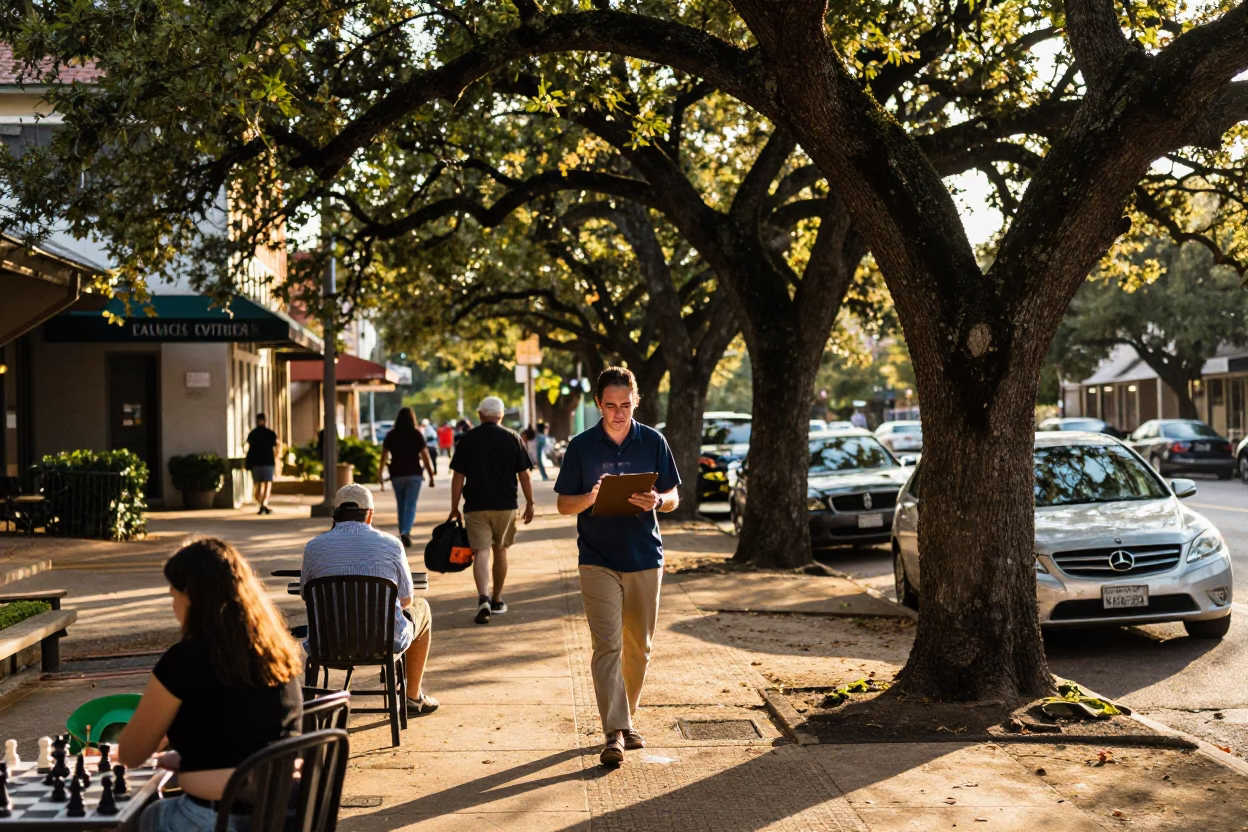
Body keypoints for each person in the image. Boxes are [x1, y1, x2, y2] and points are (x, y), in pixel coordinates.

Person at [121, 538, 304, 832]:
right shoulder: (278, 652)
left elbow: (132, 754)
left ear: (192, 597)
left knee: (134, 817)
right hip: (288, 816)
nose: (173, 608)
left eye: (174, 596)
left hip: (216, 820)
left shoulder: (185, 659)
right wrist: (183, 756)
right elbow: (244, 735)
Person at [554, 366, 681, 767]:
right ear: (598, 404)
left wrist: (658, 502)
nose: (618, 413)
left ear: (636, 402)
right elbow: (562, 504)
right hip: (597, 558)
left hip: (645, 556)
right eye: (610, 405)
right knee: (606, 645)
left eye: (625, 405)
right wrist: (590, 498)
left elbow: (674, 494)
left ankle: (625, 720)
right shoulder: (581, 446)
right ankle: (614, 732)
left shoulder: (654, 441)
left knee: (638, 649)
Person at [302, 484, 439, 716]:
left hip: (327, 643)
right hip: (382, 643)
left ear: (335, 515)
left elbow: (307, 595)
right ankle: (412, 697)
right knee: (421, 608)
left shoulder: (313, 547)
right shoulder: (392, 545)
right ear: (370, 515)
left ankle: (314, 705)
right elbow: (406, 600)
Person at [448, 397, 535, 625]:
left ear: (480, 415)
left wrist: (454, 507)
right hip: (506, 505)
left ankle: (483, 598)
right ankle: (497, 599)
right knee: (501, 550)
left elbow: (458, 476)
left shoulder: (467, 439)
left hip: (475, 505)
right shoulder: (512, 438)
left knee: (481, 552)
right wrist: (530, 502)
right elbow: (524, 474)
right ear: (501, 415)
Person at [379, 408, 436, 548]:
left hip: (397, 474)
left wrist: (379, 473)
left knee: (401, 504)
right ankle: (406, 532)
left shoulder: (391, 435)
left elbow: (384, 456)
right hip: (414, 475)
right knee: (410, 505)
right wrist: (431, 474)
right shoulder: (416, 434)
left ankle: (402, 533)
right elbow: (425, 456)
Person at [244, 414, 280, 515]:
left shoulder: (253, 434)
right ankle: (263, 504)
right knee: (265, 485)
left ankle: (262, 505)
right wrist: (276, 457)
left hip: (258, 462)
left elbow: (248, 448)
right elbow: (277, 445)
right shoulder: (270, 434)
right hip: (266, 462)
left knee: (260, 485)